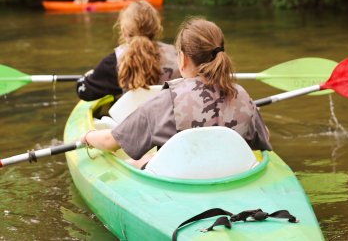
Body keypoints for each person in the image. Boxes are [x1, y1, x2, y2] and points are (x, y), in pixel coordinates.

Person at [79, 17, 272, 169]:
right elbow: (264, 137)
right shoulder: (242, 95)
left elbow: (111, 141)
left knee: (135, 161)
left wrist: (87, 136)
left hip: (182, 181)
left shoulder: (169, 99)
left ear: (183, 59)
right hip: (232, 175)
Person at [76, 1, 181, 101]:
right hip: (168, 117)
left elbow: (84, 92)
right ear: (157, 29)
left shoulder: (113, 62)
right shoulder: (177, 56)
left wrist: (86, 77)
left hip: (131, 118)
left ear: (123, 30)